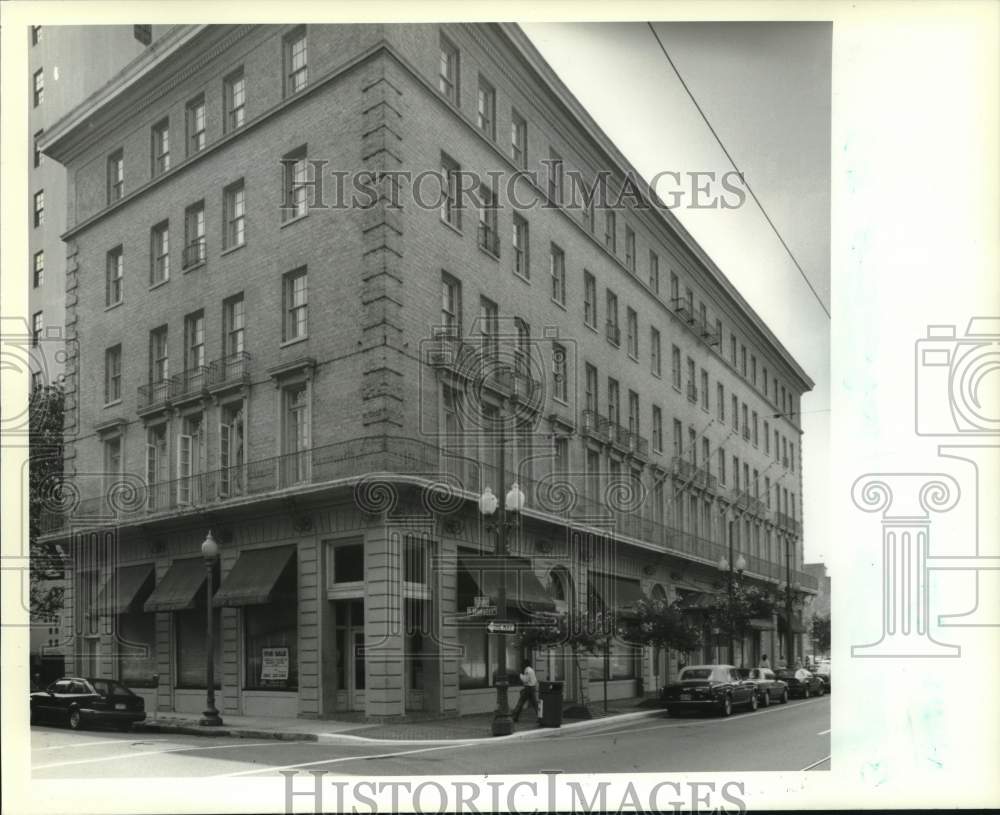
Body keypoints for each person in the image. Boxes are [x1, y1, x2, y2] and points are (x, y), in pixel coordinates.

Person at [511, 659, 540, 723]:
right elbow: (535, 680)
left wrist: (520, 675)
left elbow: (525, 680)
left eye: (522, 664)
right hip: (532, 688)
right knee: (535, 704)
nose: (521, 665)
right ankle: (540, 717)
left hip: (528, 688)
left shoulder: (527, 670)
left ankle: (514, 717)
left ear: (525, 664)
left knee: (520, 703)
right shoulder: (531, 670)